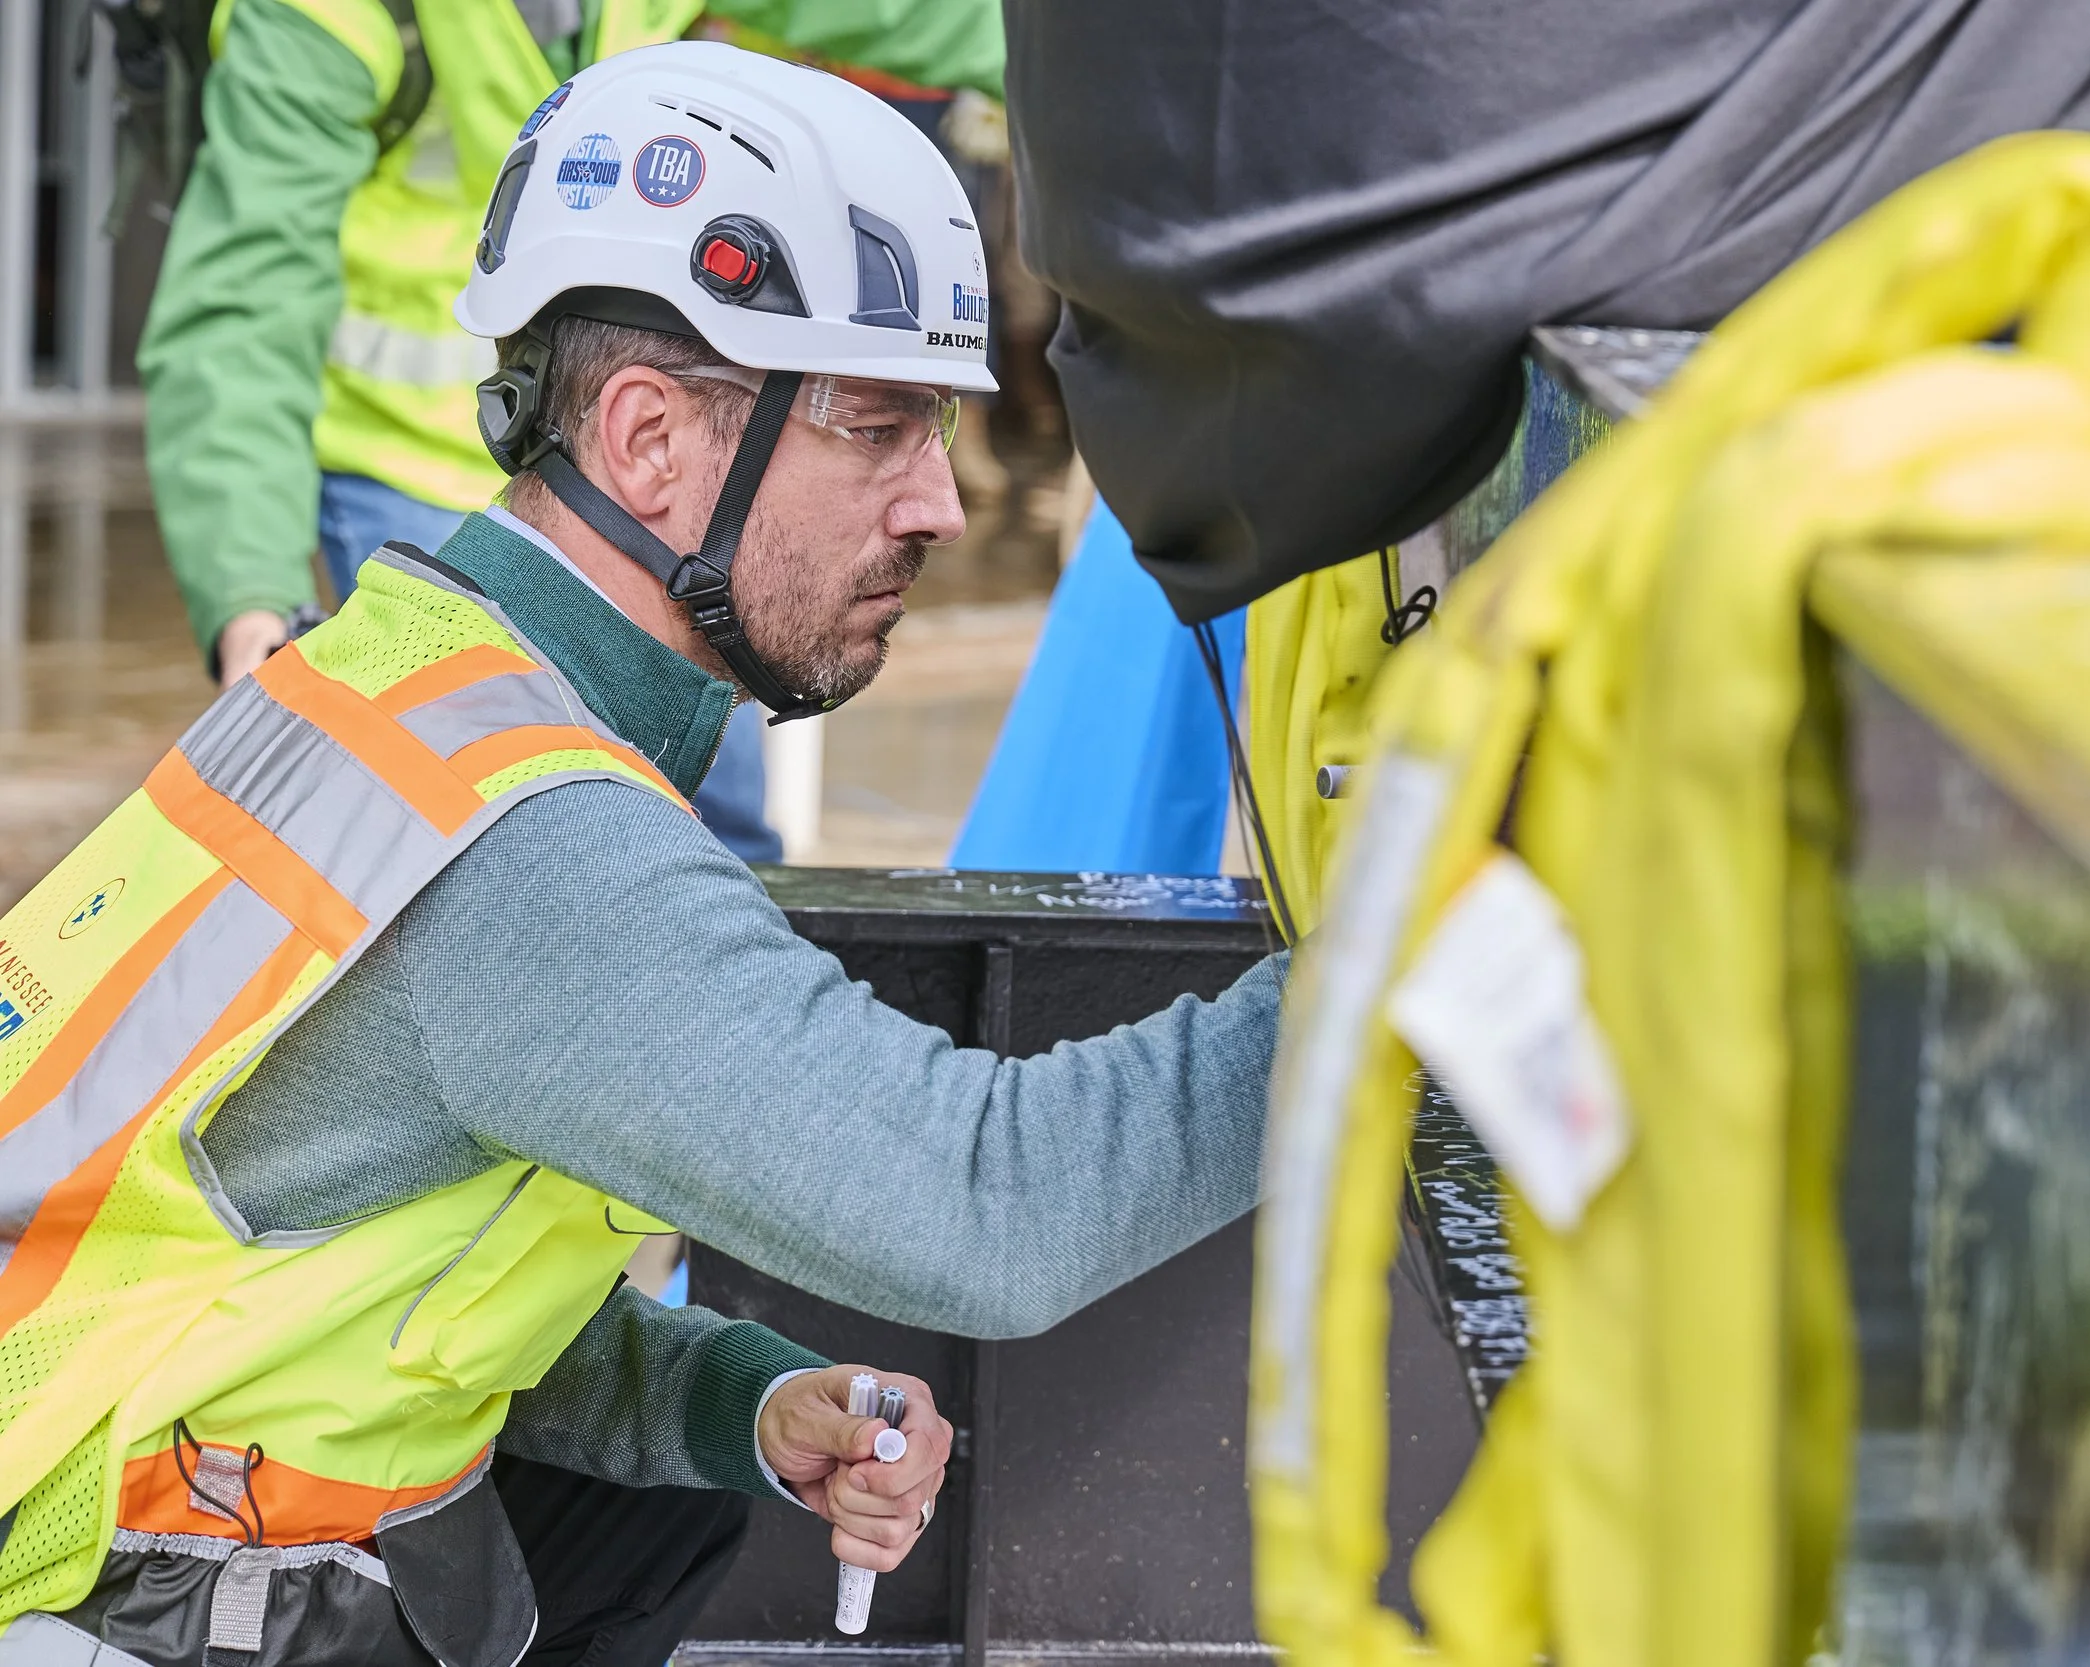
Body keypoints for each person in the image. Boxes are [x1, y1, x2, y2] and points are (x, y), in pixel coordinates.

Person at [0, 44, 1279, 1667]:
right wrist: (1401, 967)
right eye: (879, 426)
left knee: (667, 1507)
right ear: (651, 438)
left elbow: (398, 1289)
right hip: (94, 1589)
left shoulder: (396, 676)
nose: (940, 505)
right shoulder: (540, 850)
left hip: (136, 1497)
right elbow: (992, 1205)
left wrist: (738, 1399)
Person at [136, 0, 1003, 862]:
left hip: (662, 477)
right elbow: (242, 312)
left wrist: (1074, 60)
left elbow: (923, 15)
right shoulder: (332, 17)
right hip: (414, 482)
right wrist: (252, 607)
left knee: (714, 830)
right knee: (466, 833)